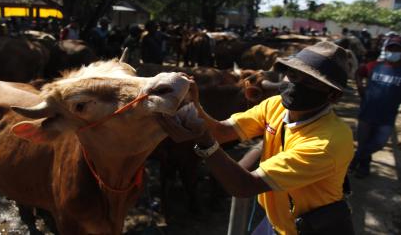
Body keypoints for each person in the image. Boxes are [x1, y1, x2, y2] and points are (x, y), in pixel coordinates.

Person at [159, 41, 355, 234]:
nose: (296, 84)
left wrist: (205, 142)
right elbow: (223, 132)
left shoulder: (328, 143)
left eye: (311, 81)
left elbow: (244, 186)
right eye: (293, 74)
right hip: (275, 219)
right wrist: (192, 105)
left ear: (333, 96)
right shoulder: (275, 105)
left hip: (303, 229)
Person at [352, 35, 401, 178]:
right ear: (386, 49)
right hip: (367, 113)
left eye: (397, 49)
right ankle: (363, 168)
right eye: (391, 48)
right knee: (363, 142)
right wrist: (360, 87)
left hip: (386, 117)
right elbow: (359, 73)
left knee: (378, 143)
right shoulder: (374, 66)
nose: (394, 51)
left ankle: (355, 158)